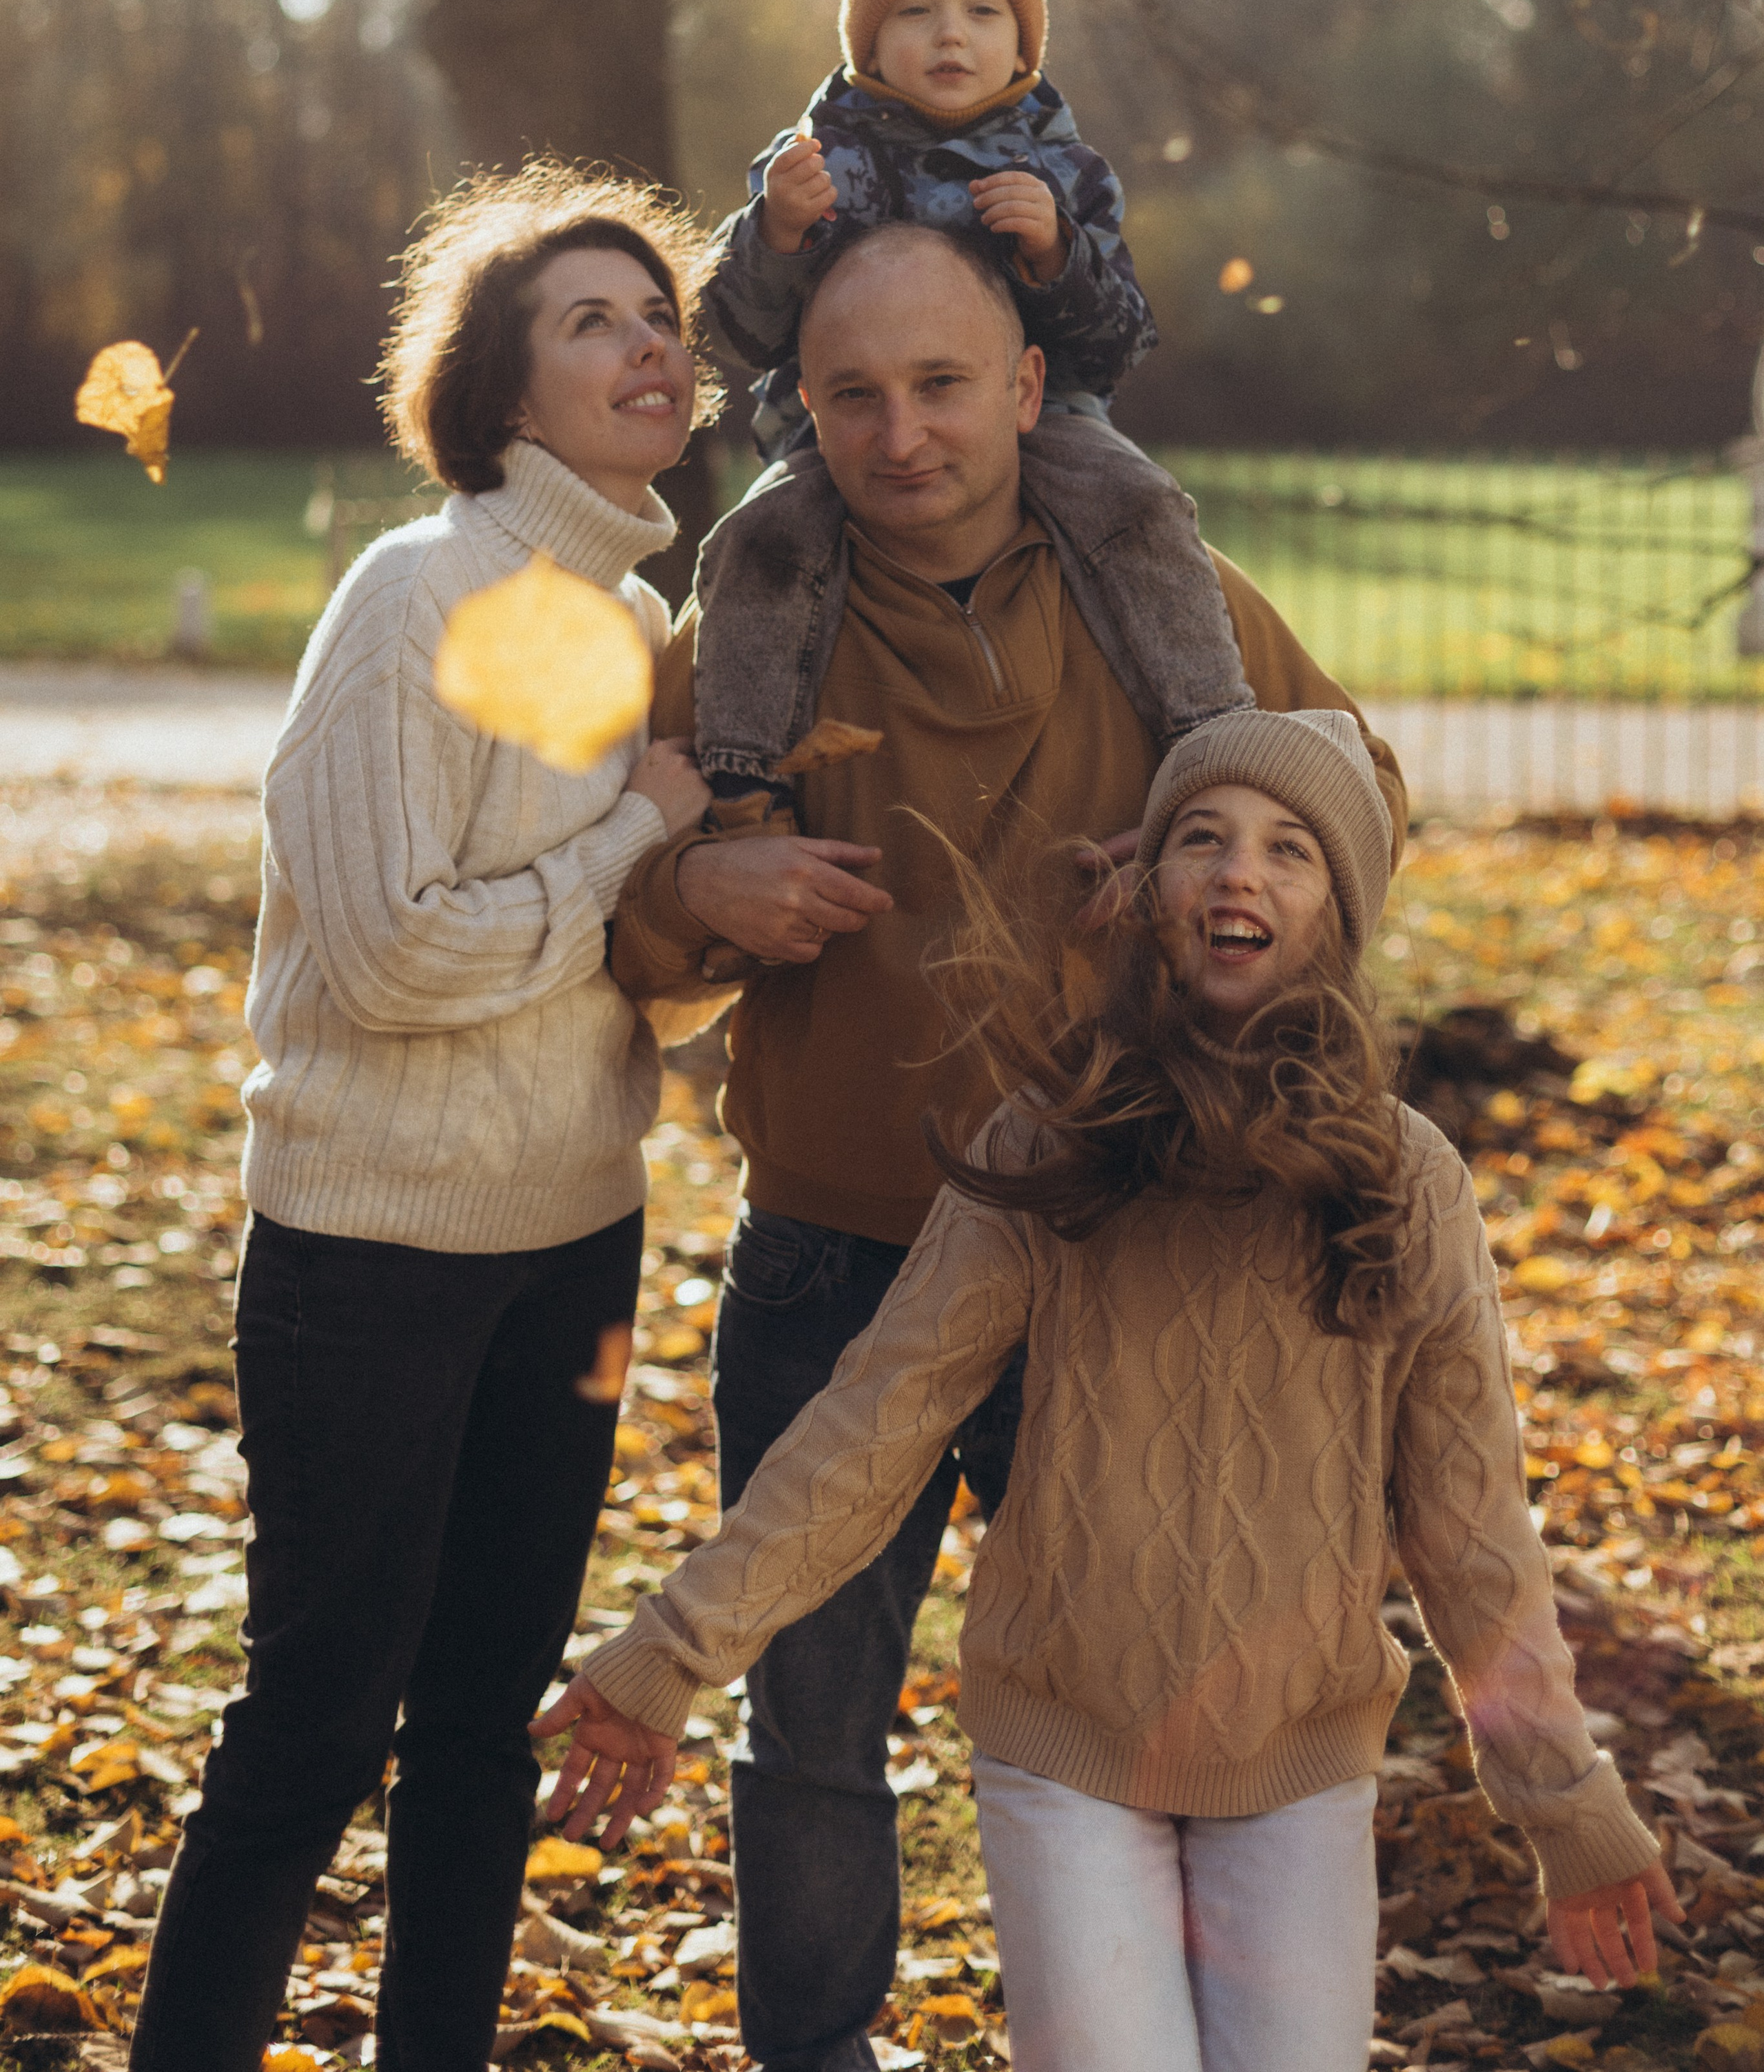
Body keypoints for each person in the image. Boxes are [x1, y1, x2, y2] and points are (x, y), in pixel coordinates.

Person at [537, 706, 1680, 2072]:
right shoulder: (1048, 1140)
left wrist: (1565, 1803)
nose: (1236, 871)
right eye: (1199, 836)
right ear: (1152, 897)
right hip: (1066, 1741)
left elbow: (1469, 1526)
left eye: (1286, 850)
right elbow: (875, 1424)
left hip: (1298, 1754)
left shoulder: (1405, 1176)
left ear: (1341, 913)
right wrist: (670, 1650)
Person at [604, 215, 1411, 2072]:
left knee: (1162, 1691)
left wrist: (1215, 863)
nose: (902, 435)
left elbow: (1354, 785)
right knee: (811, 1709)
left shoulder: (1159, 594)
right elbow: (624, 927)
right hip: (838, 1251)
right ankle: (817, 2044)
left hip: (1116, 1243)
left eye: (944, 385)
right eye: (853, 398)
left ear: (1032, 386)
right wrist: (705, 879)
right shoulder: (752, 635)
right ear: (801, 416)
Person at [127, 161, 717, 2072]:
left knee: (485, 1724)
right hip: (372, 1251)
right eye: (594, 319)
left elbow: (605, 964)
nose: (649, 345)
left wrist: (725, 924)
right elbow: (392, 961)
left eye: (663, 317)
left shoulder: (635, 627)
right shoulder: (418, 594)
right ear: (501, 386)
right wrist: (643, 834)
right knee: (316, 1723)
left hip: (574, 1245)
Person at [691, 0, 1253, 803]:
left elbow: (1116, 345)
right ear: (865, 37)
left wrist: (1054, 255)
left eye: (984, 10)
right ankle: (747, 779)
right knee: (759, 542)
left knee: (1141, 507)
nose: (951, 33)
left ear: (1024, 39)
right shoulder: (810, 162)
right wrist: (774, 234)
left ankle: (1208, 731)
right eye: (915, 10)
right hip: (841, 436)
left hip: (1047, 423)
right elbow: (732, 332)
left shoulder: (1065, 172)